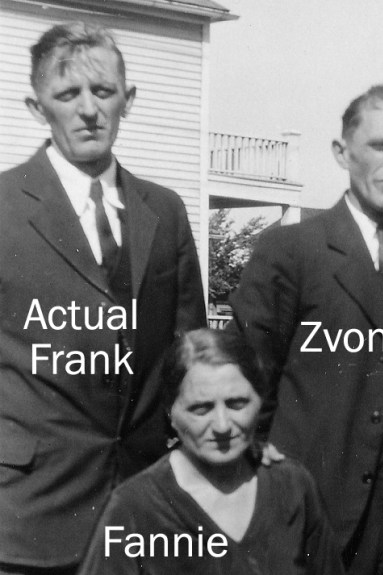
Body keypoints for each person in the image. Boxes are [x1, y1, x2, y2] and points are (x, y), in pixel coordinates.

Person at [229, 84, 383, 574]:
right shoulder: (292, 250)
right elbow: (245, 381)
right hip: (318, 504)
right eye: (382, 145)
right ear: (342, 153)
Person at [0, 22, 205, 573]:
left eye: (103, 92)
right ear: (36, 105)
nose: (88, 110)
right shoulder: (2, 209)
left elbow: (193, 354)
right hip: (25, 514)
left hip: (142, 513)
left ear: (128, 100)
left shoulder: (164, 210)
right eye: (67, 95)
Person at [78, 329, 343, 574]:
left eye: (237, 404)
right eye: (201, 408)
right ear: (171, 412)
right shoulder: (133, 509)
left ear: (260, 400)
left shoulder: (292, 487)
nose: (222, 425)